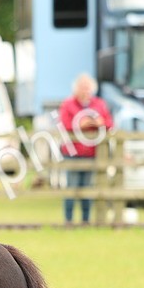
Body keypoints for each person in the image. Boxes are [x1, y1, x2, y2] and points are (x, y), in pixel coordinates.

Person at [59, 74, 114, 224]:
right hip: (73, 152)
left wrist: (98, 123)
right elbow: (65, 124)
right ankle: (68, 220)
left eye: (87, 87)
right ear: (76, 89)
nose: (85, 91)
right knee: (71, 187)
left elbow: (109, 123)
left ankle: (86, 220)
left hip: (91, 152)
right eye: (82, 87)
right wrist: (81, 125)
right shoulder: (68, 104)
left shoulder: (100, 104)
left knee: (88, 188)